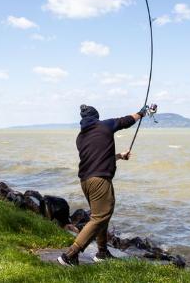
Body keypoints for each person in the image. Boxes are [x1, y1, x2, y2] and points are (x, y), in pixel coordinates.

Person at [58, 104, 146, 266]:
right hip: (100, 180)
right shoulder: (104, 125)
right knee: (101, 216)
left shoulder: (81, 137)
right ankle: (69, 255)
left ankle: (102, 252)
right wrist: (141, 113)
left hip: (86, 181)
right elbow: (126, 121)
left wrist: (120, 156)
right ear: (96, 117)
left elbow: (98, 157)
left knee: (101, 216)